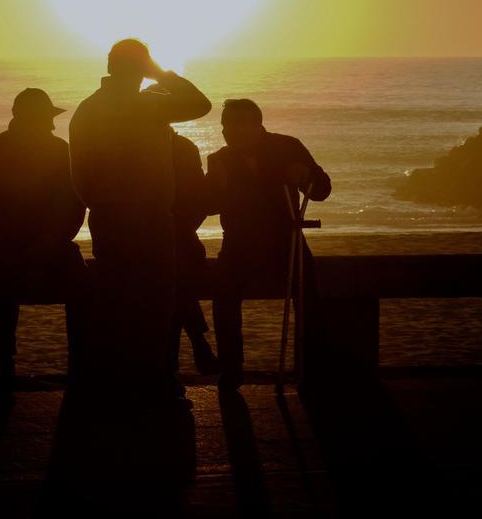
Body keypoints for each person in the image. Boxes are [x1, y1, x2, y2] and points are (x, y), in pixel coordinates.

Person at [68, 38, 212, 397]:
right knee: (154, 299)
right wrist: (160, 72)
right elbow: (200, 103)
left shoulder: (89, 108)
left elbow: (79, 176)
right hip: (148, 217)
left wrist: (101, 203)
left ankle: (118, 378)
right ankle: (153, 375)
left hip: (111, 217)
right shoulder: (148, 105)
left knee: (117, 298)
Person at [206, 98, 331, 390]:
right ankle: (231, 369)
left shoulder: (287, 147)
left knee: (309, 296)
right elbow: (210, 205)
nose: (228, 131)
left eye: (235, 124)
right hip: (238, 243)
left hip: (284, 240)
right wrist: (218, 187)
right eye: (225, 124)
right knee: (222, 295)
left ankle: (313, 368)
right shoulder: (219, 159)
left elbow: (322, 190)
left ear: (257, 124)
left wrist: (306, 175)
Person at [0, 88, 87, 393]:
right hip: (29, 244)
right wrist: (50, 240)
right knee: (77, 284)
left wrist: (35, 240)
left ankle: (7, 363)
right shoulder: (58, 150)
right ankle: (77, 363)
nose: (51, 125)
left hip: (15, 244)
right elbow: (75, 204)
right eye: (47, 118)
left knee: (75, 284)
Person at [169, 128, 220, 376]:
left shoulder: (181, 147)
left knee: (178, 284)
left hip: (173, 238)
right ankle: (198, 341)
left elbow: (198, 199)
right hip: (180, 238)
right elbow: (201, 200)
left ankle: (197, 343)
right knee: (181, 284)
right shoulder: (183, 146)